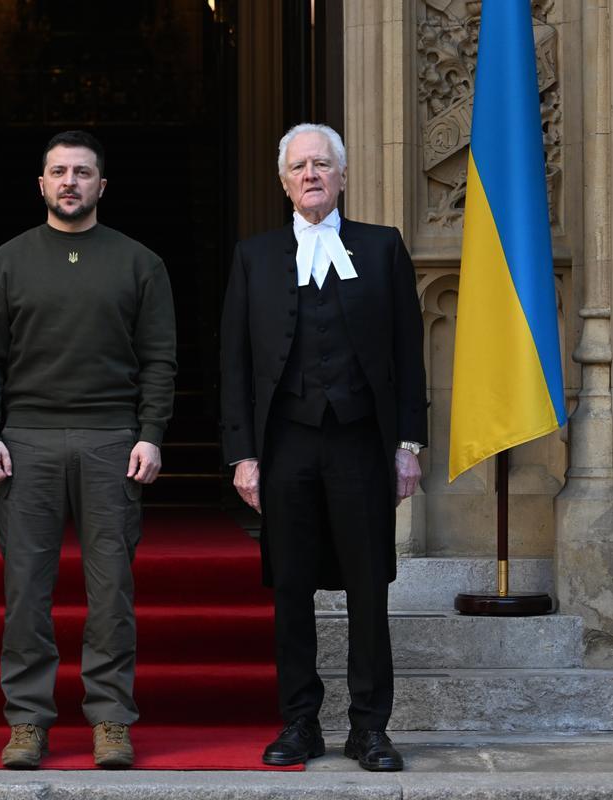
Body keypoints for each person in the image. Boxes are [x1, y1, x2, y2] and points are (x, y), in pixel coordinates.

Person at [0, 130, 176, 770]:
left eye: (82, 173)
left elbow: (160, 359)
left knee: (111, 590)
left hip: (113, 439)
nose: (70, 182)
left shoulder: (140, 263)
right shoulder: (5, 262)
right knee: (26, 589)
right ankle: (27, 721)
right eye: (58, 171)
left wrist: (151, 433)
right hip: (25, 440)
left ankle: (111, 719)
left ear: (101, 185)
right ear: (41, 184)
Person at [219, 123, 426, 772]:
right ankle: (300, 723)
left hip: (362, 443)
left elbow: (407, 355)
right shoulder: (254, 257)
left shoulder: (382, 247)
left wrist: (408, 444)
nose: (311, 174)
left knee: (369, 588)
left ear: (342, 176)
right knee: (291, 587)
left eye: (322, 164)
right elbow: (235, 365)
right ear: (283, 181)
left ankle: (370, 729)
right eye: (299, 166)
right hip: (285, 448)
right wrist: (242, 454)